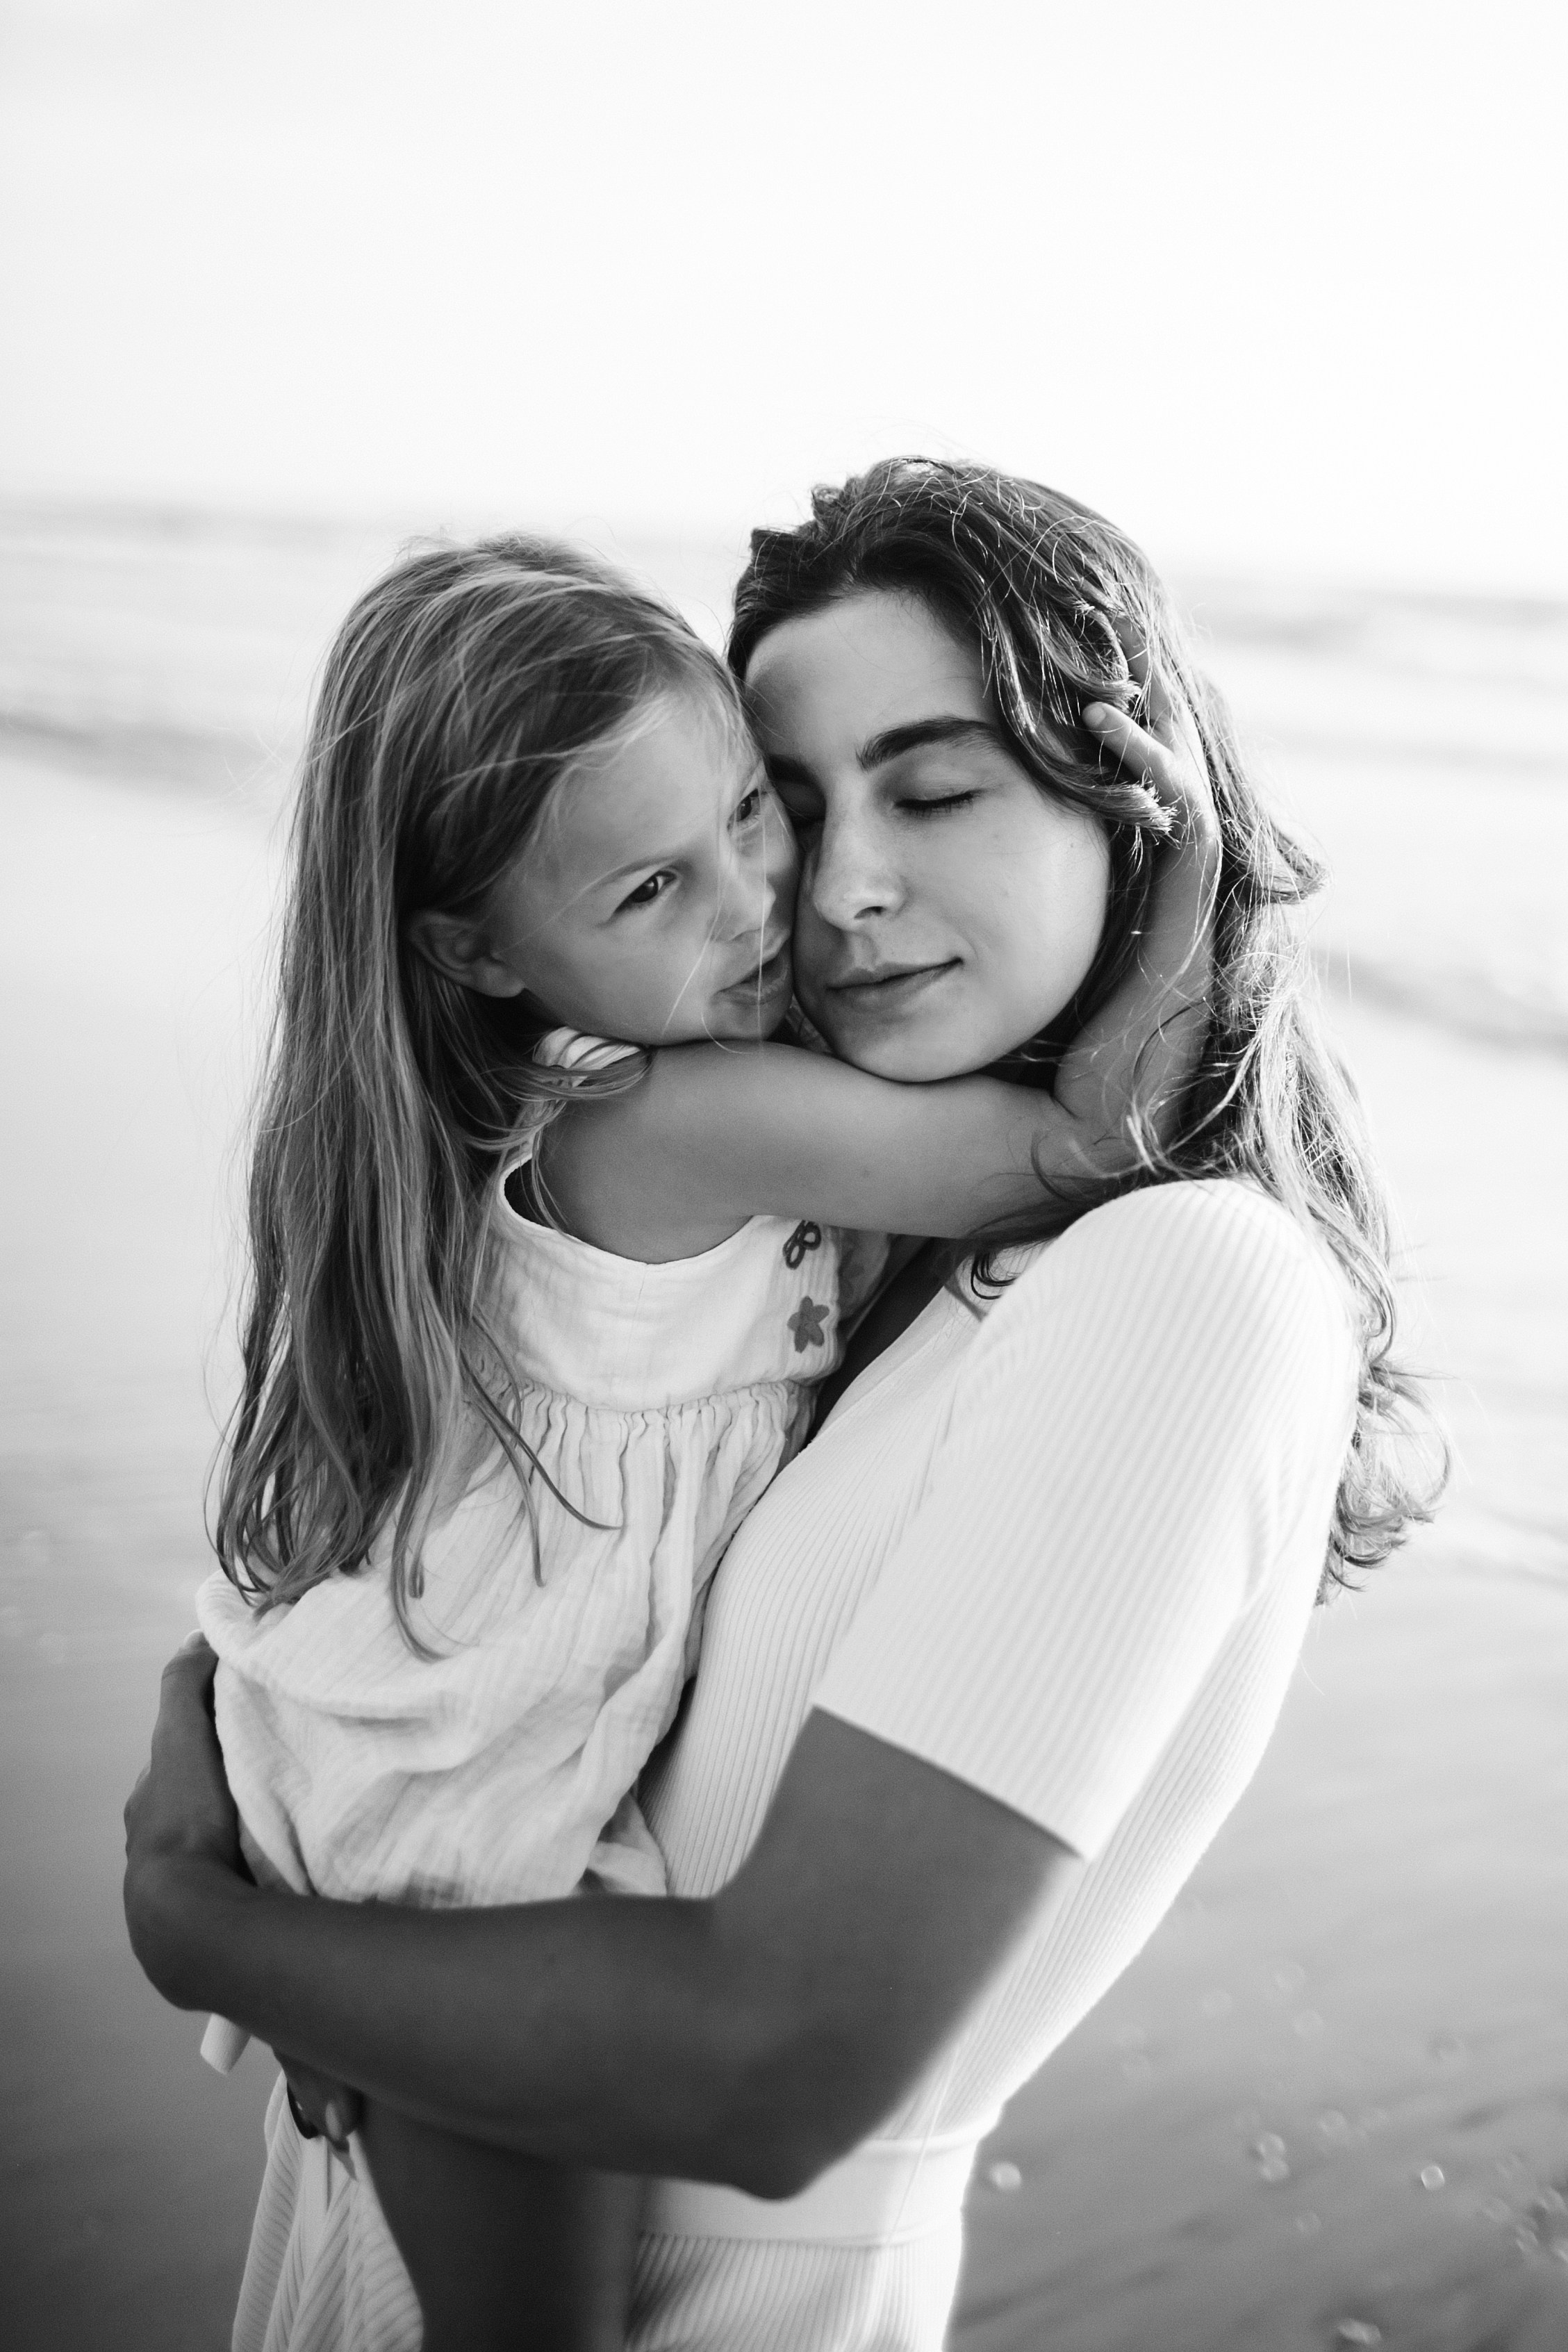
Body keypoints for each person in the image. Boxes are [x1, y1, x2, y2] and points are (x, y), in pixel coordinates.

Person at [124, 459, 1437, 2352]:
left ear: (1130, 802)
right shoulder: (842, 1233)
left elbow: (777, 2059)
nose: (827, 890)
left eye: (935, 789)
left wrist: (221, 1935)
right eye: (793, 802)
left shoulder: (1178, 1283)